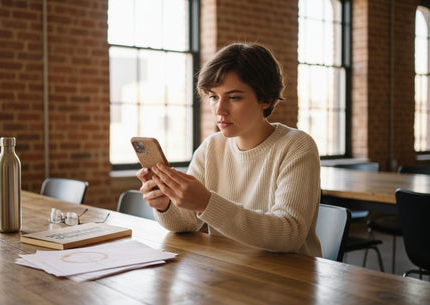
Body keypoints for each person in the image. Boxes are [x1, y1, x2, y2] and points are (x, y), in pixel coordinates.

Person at [136, 42, 321, 256]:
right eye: (214, 97)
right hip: (230, 269)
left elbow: (289, 234)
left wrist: (206, 203)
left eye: (234, 97)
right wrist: (165, 204)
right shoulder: (211, 147)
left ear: (266, 99)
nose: (220, 110)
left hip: (290, 277)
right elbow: (187, 224)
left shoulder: (296, 145)